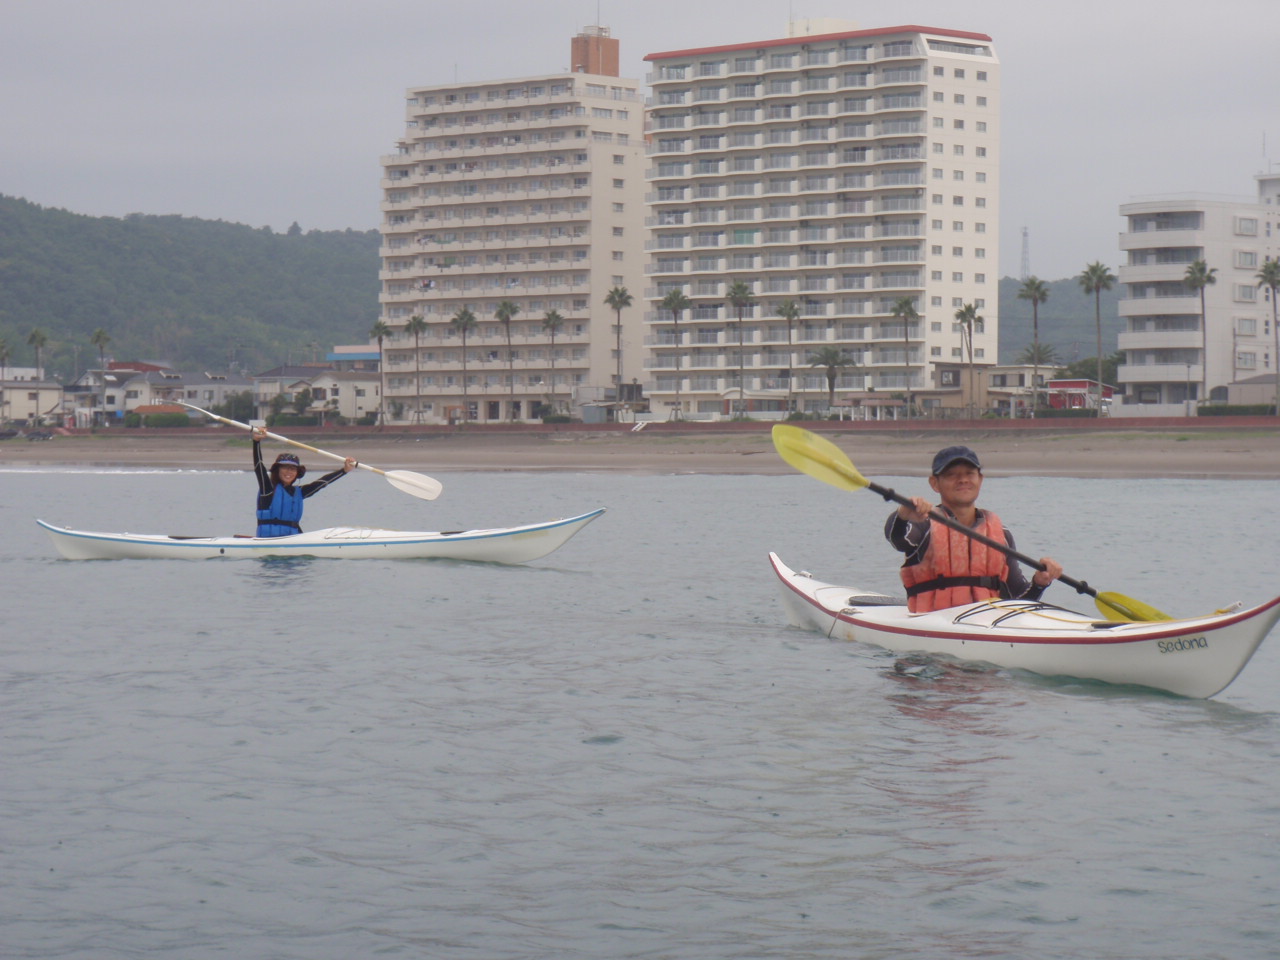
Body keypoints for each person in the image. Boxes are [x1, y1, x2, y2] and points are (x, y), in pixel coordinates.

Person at [885, 444, 1063, 612]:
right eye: (951, 475)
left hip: (984, 625)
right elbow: (897, 539)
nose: (962, 480)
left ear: (980, 479)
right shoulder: (923, 523)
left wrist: (1040, 582)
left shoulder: (1001, 534)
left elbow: (1018, 598)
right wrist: (903, 514)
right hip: (931, 621)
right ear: (934, 483)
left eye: (969, 473)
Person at [251, 427, 355, 537]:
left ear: (297, 473)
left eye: (293, 469)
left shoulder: (299, 492)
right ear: (277, 470)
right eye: (285, 467)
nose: (289, 472)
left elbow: (322, 482)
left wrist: (344, 470)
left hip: (293, 539)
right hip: (268, 540)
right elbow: (259, 466)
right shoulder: (267, 489)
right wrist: (256, 442)